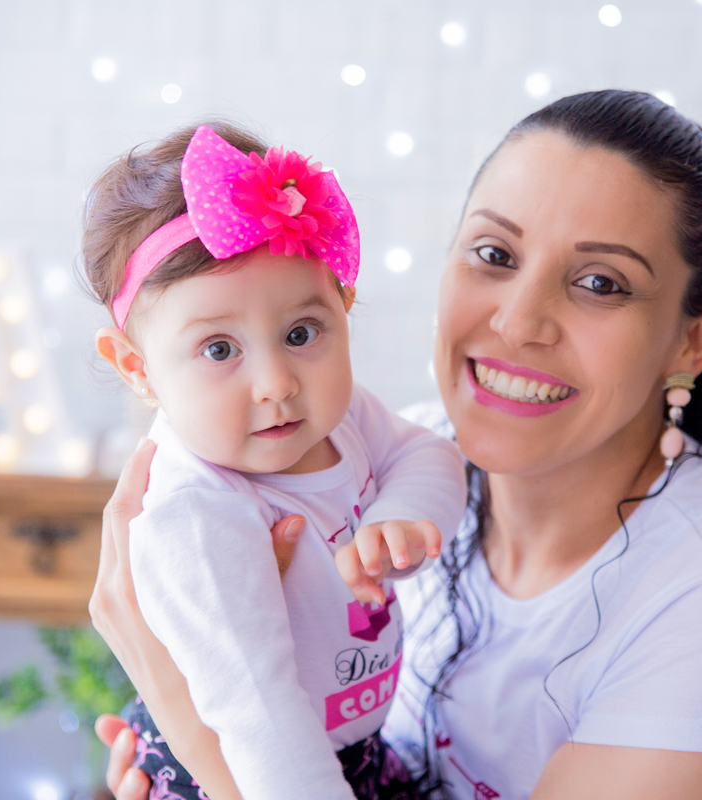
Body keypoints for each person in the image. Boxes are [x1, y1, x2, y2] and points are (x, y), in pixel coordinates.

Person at [90, 90, 702, 800]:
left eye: (600, 283)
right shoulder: (367, 455)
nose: (520, 322)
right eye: (494, 255)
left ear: (693, 340)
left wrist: (190, 727)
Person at [83, 122, 467, 800]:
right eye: (220, 350)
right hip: (256, 771)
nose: (276, 382)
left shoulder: (340, 416)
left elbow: (426, 453)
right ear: (137, 368)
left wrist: (402, 514)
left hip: (350, 751)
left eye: (300, 333)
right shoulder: (195, 514)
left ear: (343, 308)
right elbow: (258, 713)